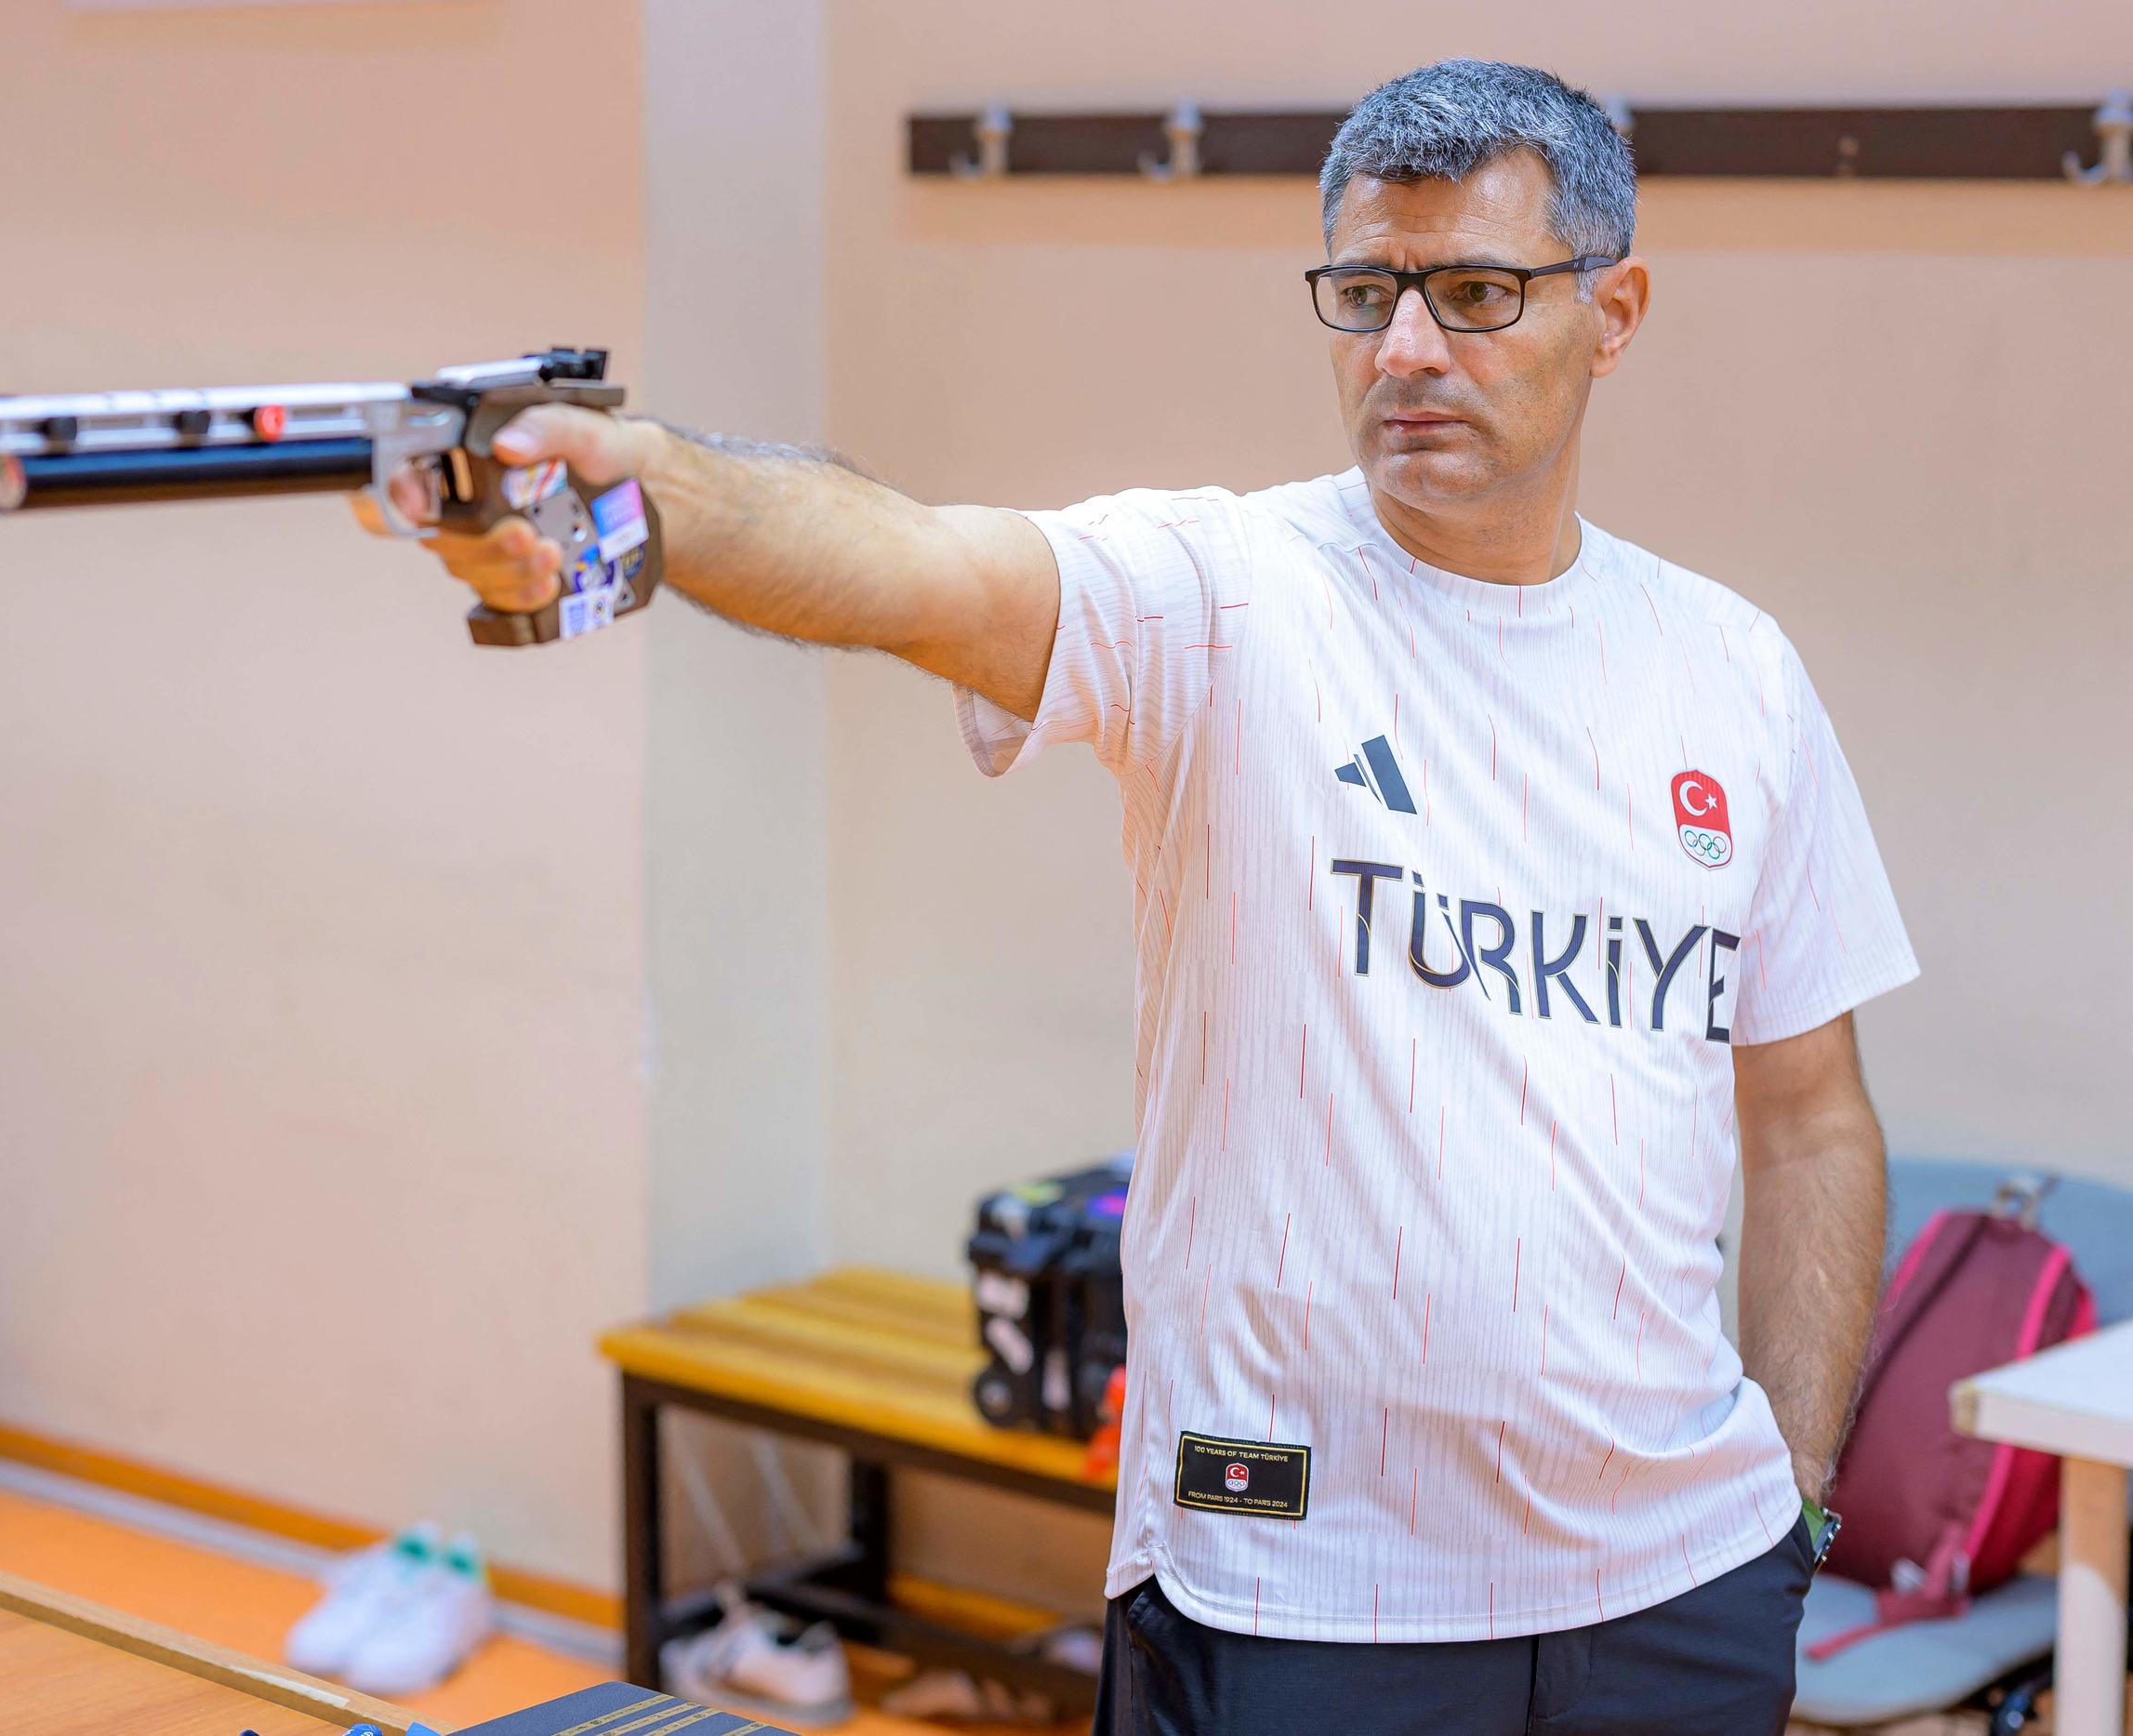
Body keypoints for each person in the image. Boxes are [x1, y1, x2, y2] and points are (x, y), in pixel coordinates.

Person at [399, 59, 1917, 1736]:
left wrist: (1784, 1505)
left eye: (1477, 294)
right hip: (1294, 1593)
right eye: (1365, 292)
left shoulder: (1734, 674)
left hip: (1679, 1600)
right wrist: (642, 484)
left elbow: (1809, 1121)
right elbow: (915, 563)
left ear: (1612, 311)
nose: (1407, 348)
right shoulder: (1223, 595)